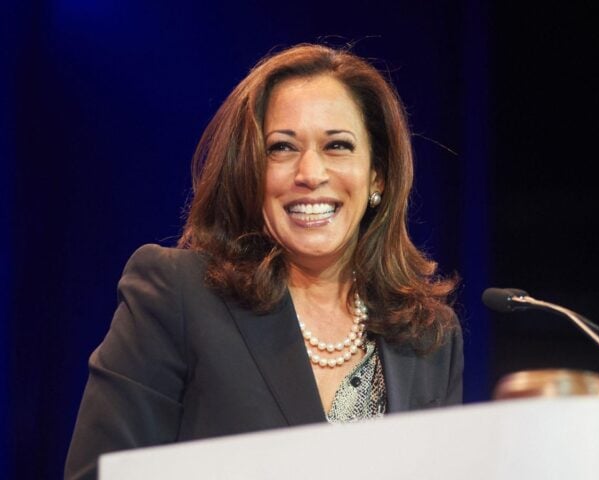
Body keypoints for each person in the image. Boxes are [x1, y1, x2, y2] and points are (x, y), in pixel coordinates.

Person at [65, 43, 463, 480]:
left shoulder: (429, 339)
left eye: (337, 146)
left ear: (378, 177)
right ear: (249, 172)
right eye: (281, 148)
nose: (310, 173)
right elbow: (99, 474)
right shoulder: (177, 294)